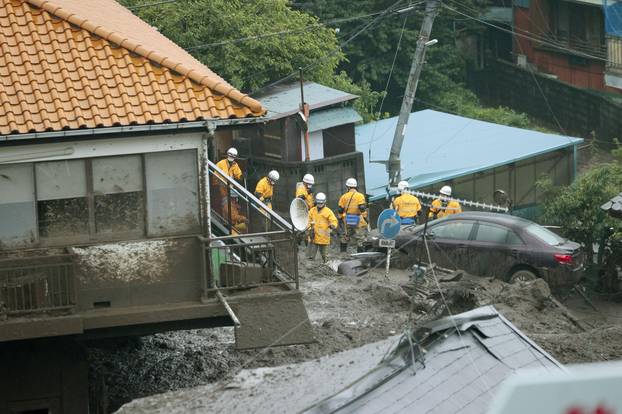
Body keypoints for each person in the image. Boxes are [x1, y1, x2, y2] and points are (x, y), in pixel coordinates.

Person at [338, 178, 368, 253]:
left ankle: (343, 254)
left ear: (347, 187)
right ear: (355, 186)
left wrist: (340, 218)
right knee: (360, 239)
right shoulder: (360, 196)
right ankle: (360, 256)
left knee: (345, 237)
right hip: (357, 219)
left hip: (347, 219)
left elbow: (340, 210)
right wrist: (365, 218)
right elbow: (362, 208)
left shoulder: (343, 196)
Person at [307, 192, 338, 263]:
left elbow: (333, 220)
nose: (320, 205)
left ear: (324, 202)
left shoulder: (328, 211)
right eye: (318, 203)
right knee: (310, 256)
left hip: (324, 237)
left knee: (325, 256)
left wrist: (333, 225)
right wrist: (309, 229)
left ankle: (326, 266)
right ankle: (311, 268)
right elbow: (308, 220)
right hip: (313, 237)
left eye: (321, 203)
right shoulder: (312, 210)